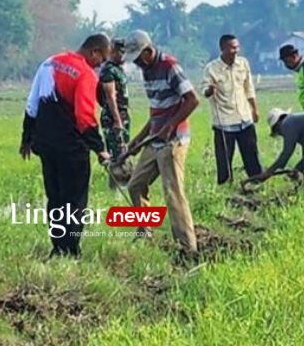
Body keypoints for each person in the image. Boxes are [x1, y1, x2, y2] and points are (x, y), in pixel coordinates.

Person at [20, 34, 112, 258]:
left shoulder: (49, 62)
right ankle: (70, 250)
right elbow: (85, 117)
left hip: (46, 145)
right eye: (102, 58)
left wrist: (26, 138)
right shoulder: (85, 75)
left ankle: (57, 247)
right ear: (94, 52)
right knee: (74, 200)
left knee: (55, 198)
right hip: (71, 148)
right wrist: (100, 148)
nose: (101, 64)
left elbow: (32, 104)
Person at [123, 30, 200, 258]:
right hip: (155, 139)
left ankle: (188, 248)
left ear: (148, 51)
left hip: (173, 140)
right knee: (135, 185)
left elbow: (192, 100)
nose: (136, 63)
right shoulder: (147, 72)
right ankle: (144, 232)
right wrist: (138, 139)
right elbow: (157, 110)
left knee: (172, 192)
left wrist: (170, 126)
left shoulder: (169, 66)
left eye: (138, 58)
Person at [202, 34, 263, 185]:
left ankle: (256, 184)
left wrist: (254, 109)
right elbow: (204, 91)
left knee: (252, 157)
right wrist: (210, 90)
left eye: (237, 47)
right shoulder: (211, 69)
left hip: (244, 118)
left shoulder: (243, 64)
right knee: (224, 162)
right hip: (224, 122)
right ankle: (225, 190)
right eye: (232, 48)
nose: (235, 51)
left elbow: (249, 88)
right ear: (222, 49)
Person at [97, 38, 132, 188]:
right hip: (113, 117)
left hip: (122, 115)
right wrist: (117, 120)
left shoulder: (119, 69)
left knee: (123, 149)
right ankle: (118, 188)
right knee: (117, 153)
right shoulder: (108, 70)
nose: (125, 57)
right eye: (123, 53)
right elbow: (110, 97)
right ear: (114, 52)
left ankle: (122, 185)